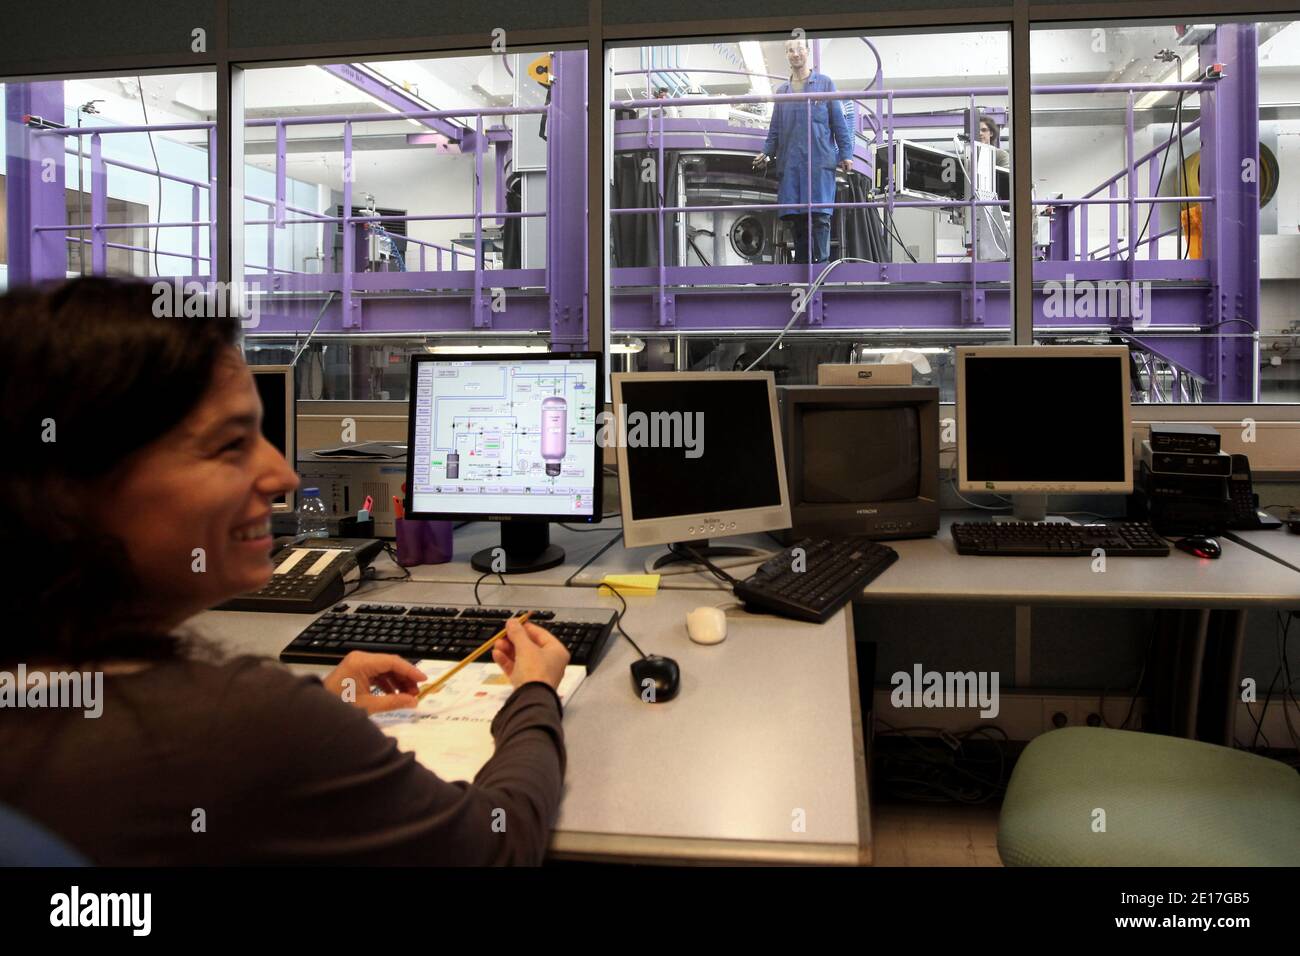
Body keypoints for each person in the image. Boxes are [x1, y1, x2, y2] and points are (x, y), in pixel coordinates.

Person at [0, 277, 571, 865]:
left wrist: (322, 711)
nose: (284, 477)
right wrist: (533, 694)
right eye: (229, 445)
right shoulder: (240, 722)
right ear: (69, 485)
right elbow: (498, 847)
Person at [753, 38, 853, 264]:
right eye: (790, 50)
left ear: (807, 52)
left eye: (799, 49)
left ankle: (820, 272)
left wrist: (846, 153)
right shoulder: (782, 92)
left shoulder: (825, 84)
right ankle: (800, 269)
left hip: (818, 163)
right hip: (792, 164)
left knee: (819, 218)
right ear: (786, 55)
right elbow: (775, 128)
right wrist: (766, 152)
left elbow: (839, 122)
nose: (795, 54)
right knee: (796, 218)